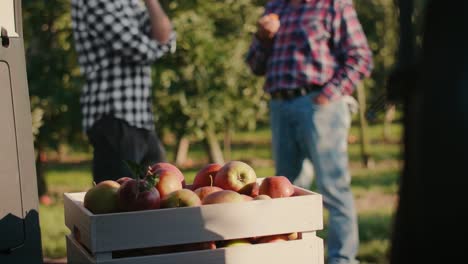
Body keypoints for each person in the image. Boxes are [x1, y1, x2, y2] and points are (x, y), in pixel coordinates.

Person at [246, 0, 373, 263]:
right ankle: (293, 255)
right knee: (285, 191)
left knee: (333, 188)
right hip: (280, 104)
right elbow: (255, 65)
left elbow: (360, 57)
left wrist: (328, 96)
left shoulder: (332, 4)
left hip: (318, 104)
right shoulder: (276, 7)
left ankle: (342, 259)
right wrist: (263, 38)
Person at [71, 0, 176, 183]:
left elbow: (166, 37)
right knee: (118, 201)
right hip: (113, 116)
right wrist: (160, 45)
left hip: (140, 118)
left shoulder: (130, 2)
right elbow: (138, 49)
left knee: (161, 195)